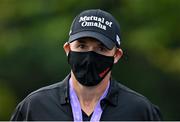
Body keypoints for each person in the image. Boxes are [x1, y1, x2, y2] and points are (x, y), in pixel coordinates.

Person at [10, 9, 162, 121]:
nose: (90, 56)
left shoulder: (140, 111)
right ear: (67, 49)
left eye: (101, 48)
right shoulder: (35, 106)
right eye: (82, 46)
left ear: (116, 55)